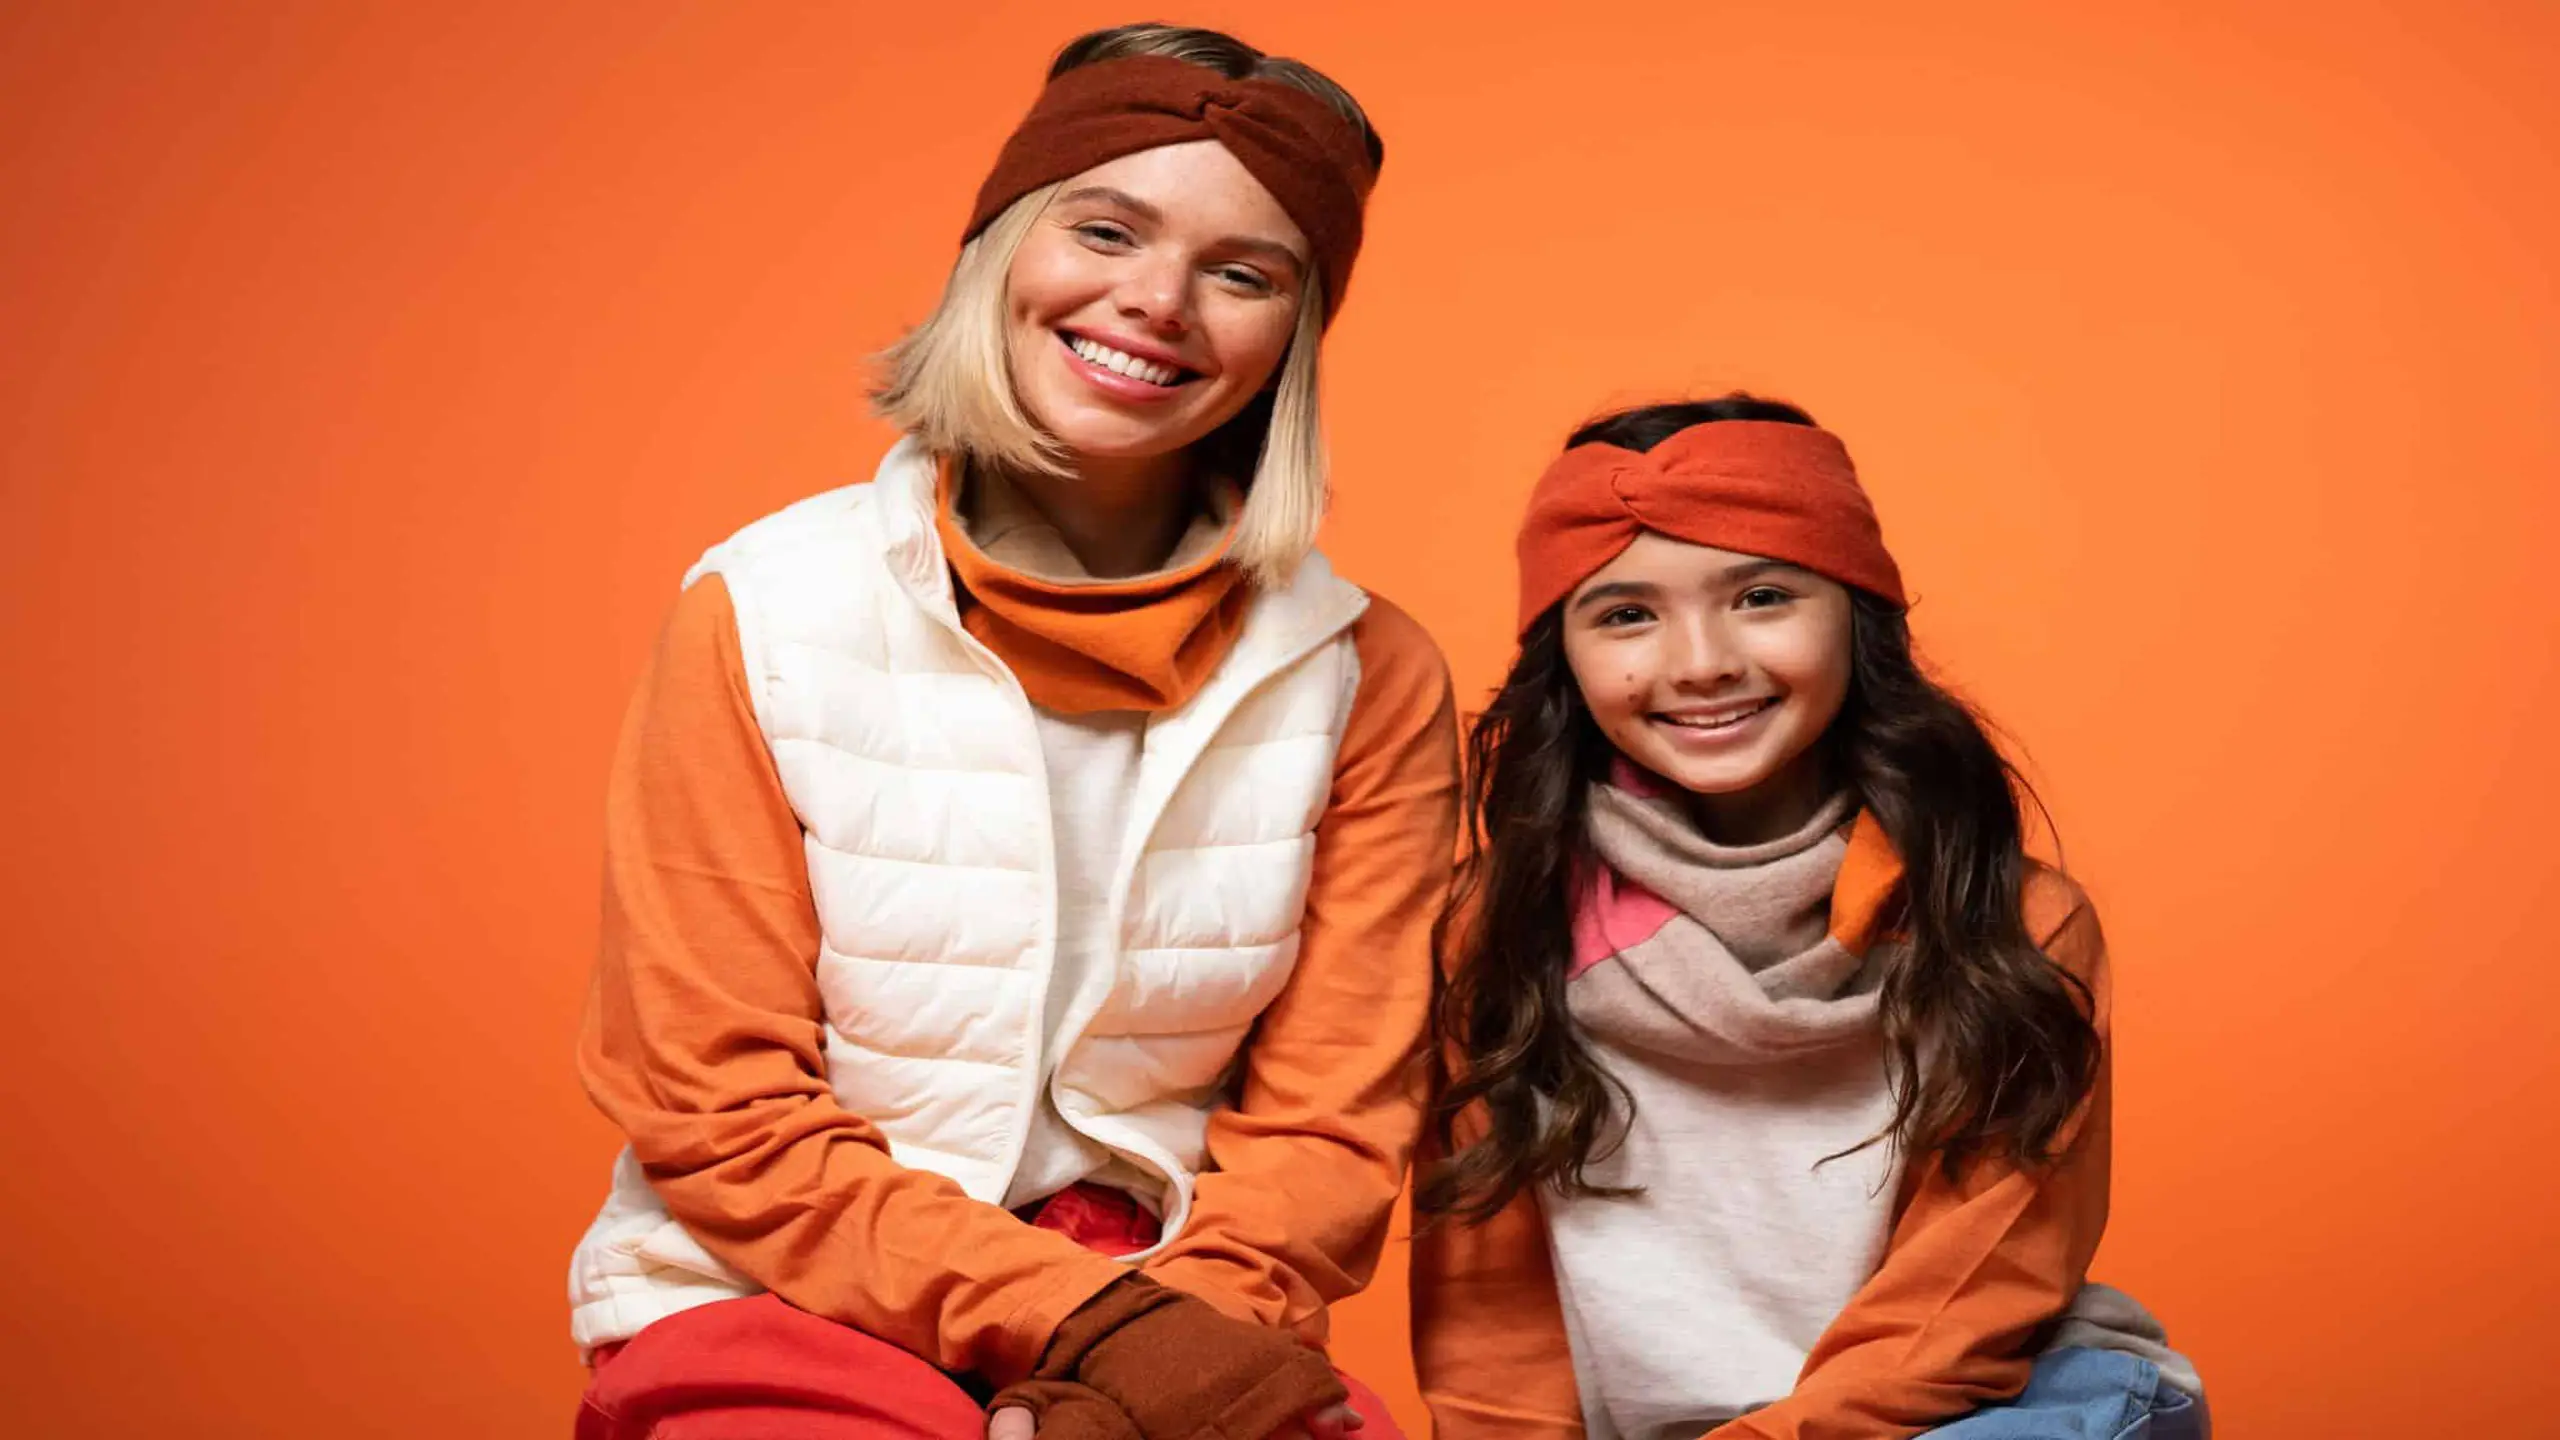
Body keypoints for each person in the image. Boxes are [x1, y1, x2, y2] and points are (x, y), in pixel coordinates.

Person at [565, 23, 1458, 1440]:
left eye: (1245, 273)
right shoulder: (760, 612)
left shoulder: (1367, 673)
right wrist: (1092, 1330)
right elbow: (718, 1108)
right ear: (1002, 246)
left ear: (1293, 334)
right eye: (1107, 228)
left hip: (1186, 1296)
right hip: (777, 1300)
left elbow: (1330, 1131)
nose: (1157, 301)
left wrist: (1151, 1365)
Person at [1411, 396, 2205, 1439]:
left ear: (1859, 615)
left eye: (1762, 595)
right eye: (1625, 614)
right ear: (1562, 656)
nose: (1699, 662)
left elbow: (1969, 1293)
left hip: (1975, 1408)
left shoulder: (2010, 920)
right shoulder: (1497, 932)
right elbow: (1490, 1320)